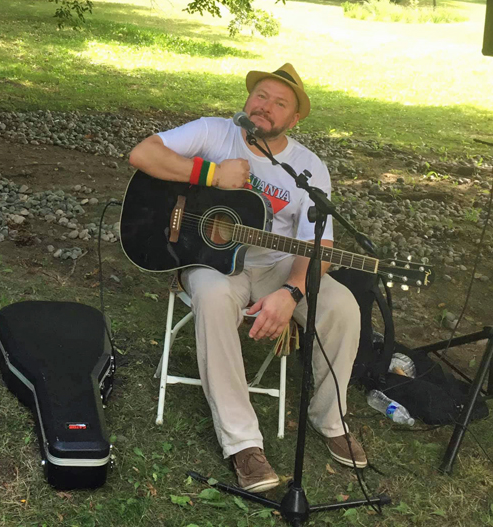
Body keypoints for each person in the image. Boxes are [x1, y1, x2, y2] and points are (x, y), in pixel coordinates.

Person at [129, 63, 366, 493]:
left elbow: (320, 246)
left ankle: (331, 418)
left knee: (343, 307)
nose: (265, 107)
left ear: (294, 119)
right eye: (261, 95)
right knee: (216, 299)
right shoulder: (213, 132)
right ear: (247, 99)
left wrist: (292, 294)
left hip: (279, 267)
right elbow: (142, 154)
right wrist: (210, 175)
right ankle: (242, 443)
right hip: (210, 261)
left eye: (280, 103)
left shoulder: (309, 168)